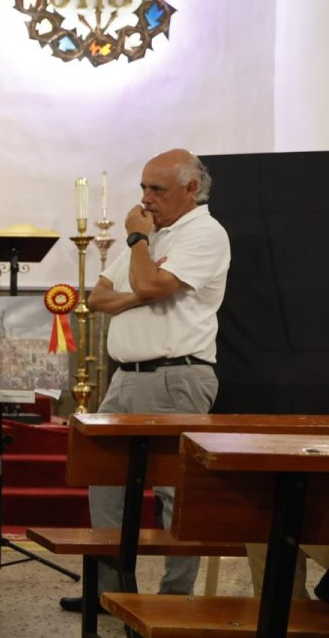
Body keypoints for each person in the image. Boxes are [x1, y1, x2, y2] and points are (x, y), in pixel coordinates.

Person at [59, 149, 231, 613]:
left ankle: (175, 599)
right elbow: (97, 298)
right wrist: (147, 279)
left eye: (157, 189)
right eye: (142, 188)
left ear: (191, 189)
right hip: (124, 378)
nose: (146, 198)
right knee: (106, 484)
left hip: (175, 375)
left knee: (177, 490)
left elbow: (152, 286)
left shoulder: (204, 233)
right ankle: (112, 593)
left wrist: (138, 242)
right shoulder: (155, 236)